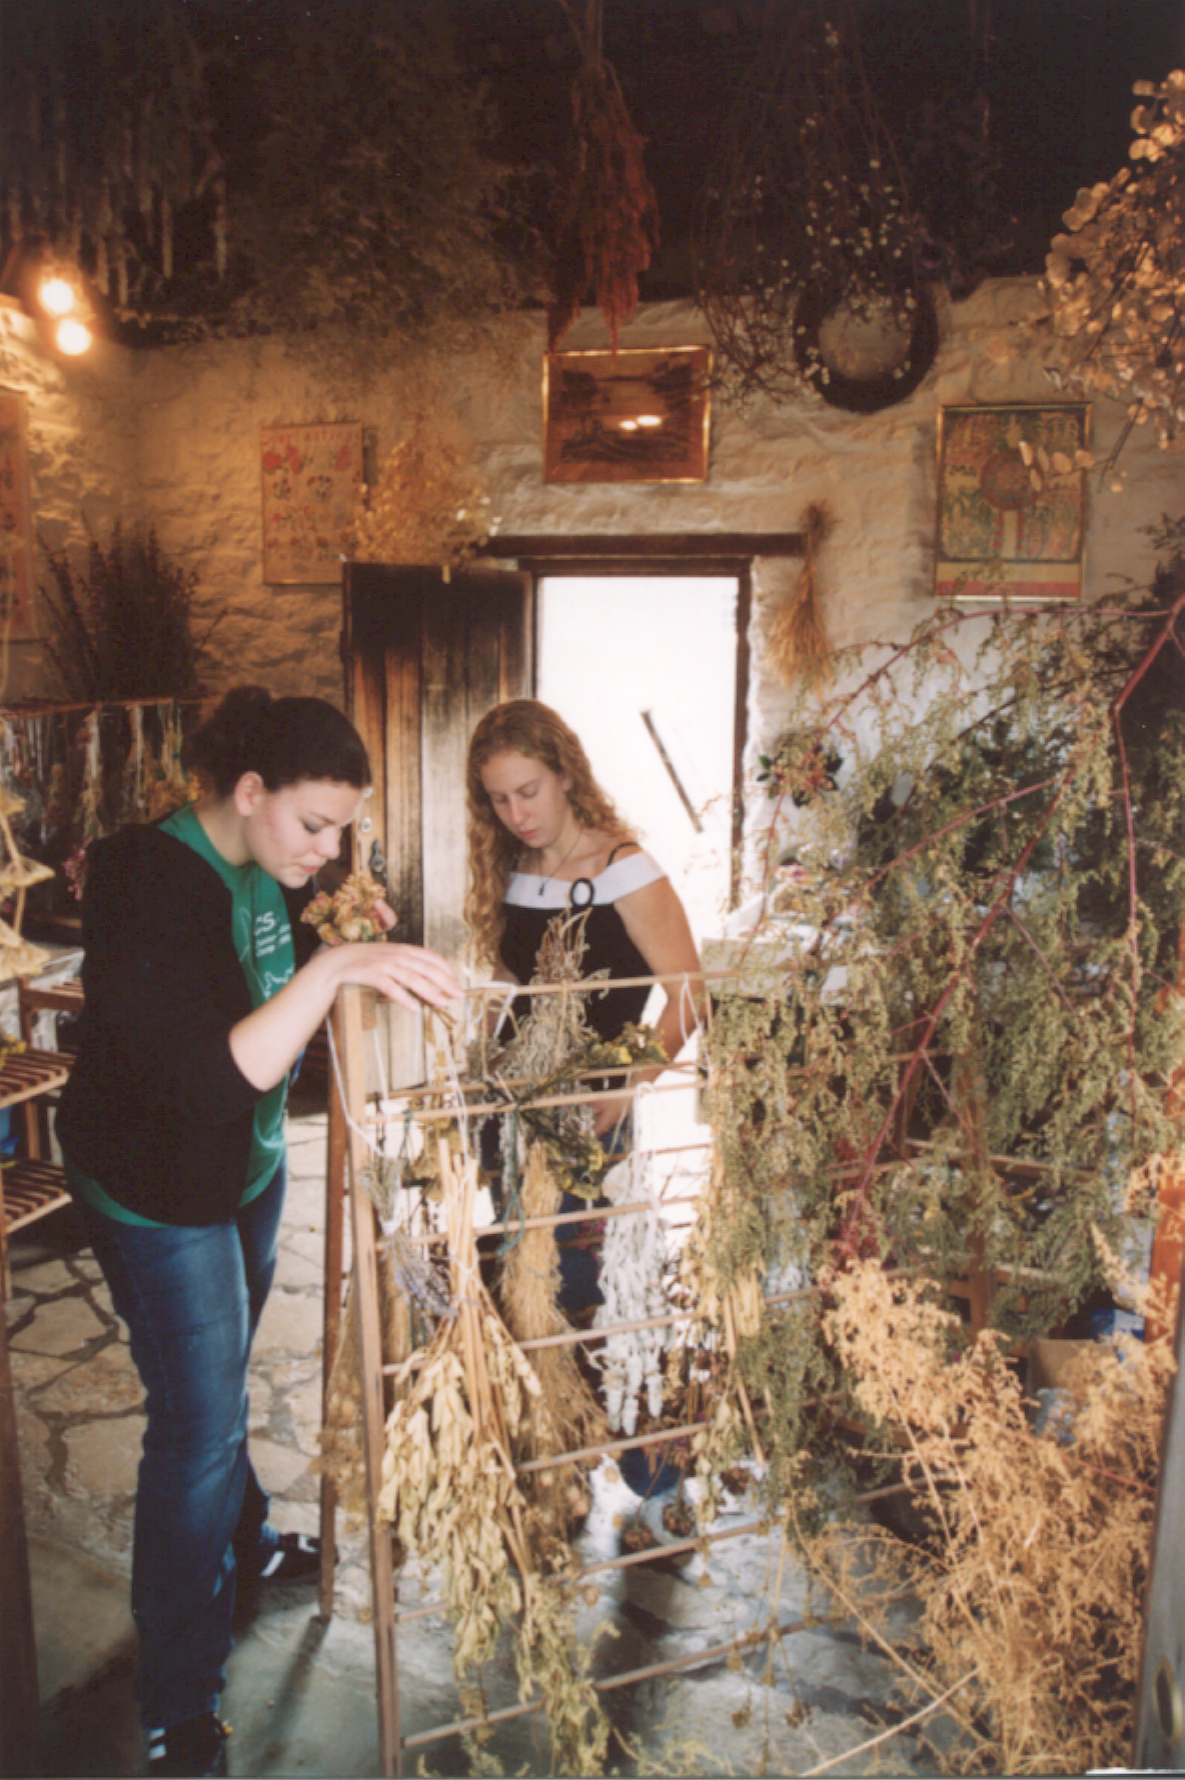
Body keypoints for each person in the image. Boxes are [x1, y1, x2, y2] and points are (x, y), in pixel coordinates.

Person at [56, 686, 459, 1779]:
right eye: (314, 826)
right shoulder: (145, 880)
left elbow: (267, 963)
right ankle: (178, 1695)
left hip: (244, 1170)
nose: (329, 851)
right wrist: (331, 975)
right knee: (196, 1424)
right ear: (247, 791)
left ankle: (246, 1541)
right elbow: (203, 1079)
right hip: (156, 1183)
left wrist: (337, 932)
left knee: (222, 1382)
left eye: (343, 831)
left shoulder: (269, 866)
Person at [465, 698, 702, 1499]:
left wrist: (626, 1090)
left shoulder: (621, 868)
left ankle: (650, 1464)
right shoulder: (517, 868)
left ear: (567, 775)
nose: (515, 813)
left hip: (588, 1116)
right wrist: (475, 1041)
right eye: (498, 799)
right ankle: (553, 1448)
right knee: (522, 1273)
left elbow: (690, 996)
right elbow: (511, 976)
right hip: (513, 1110)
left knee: (594, 1281)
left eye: (528, 791)